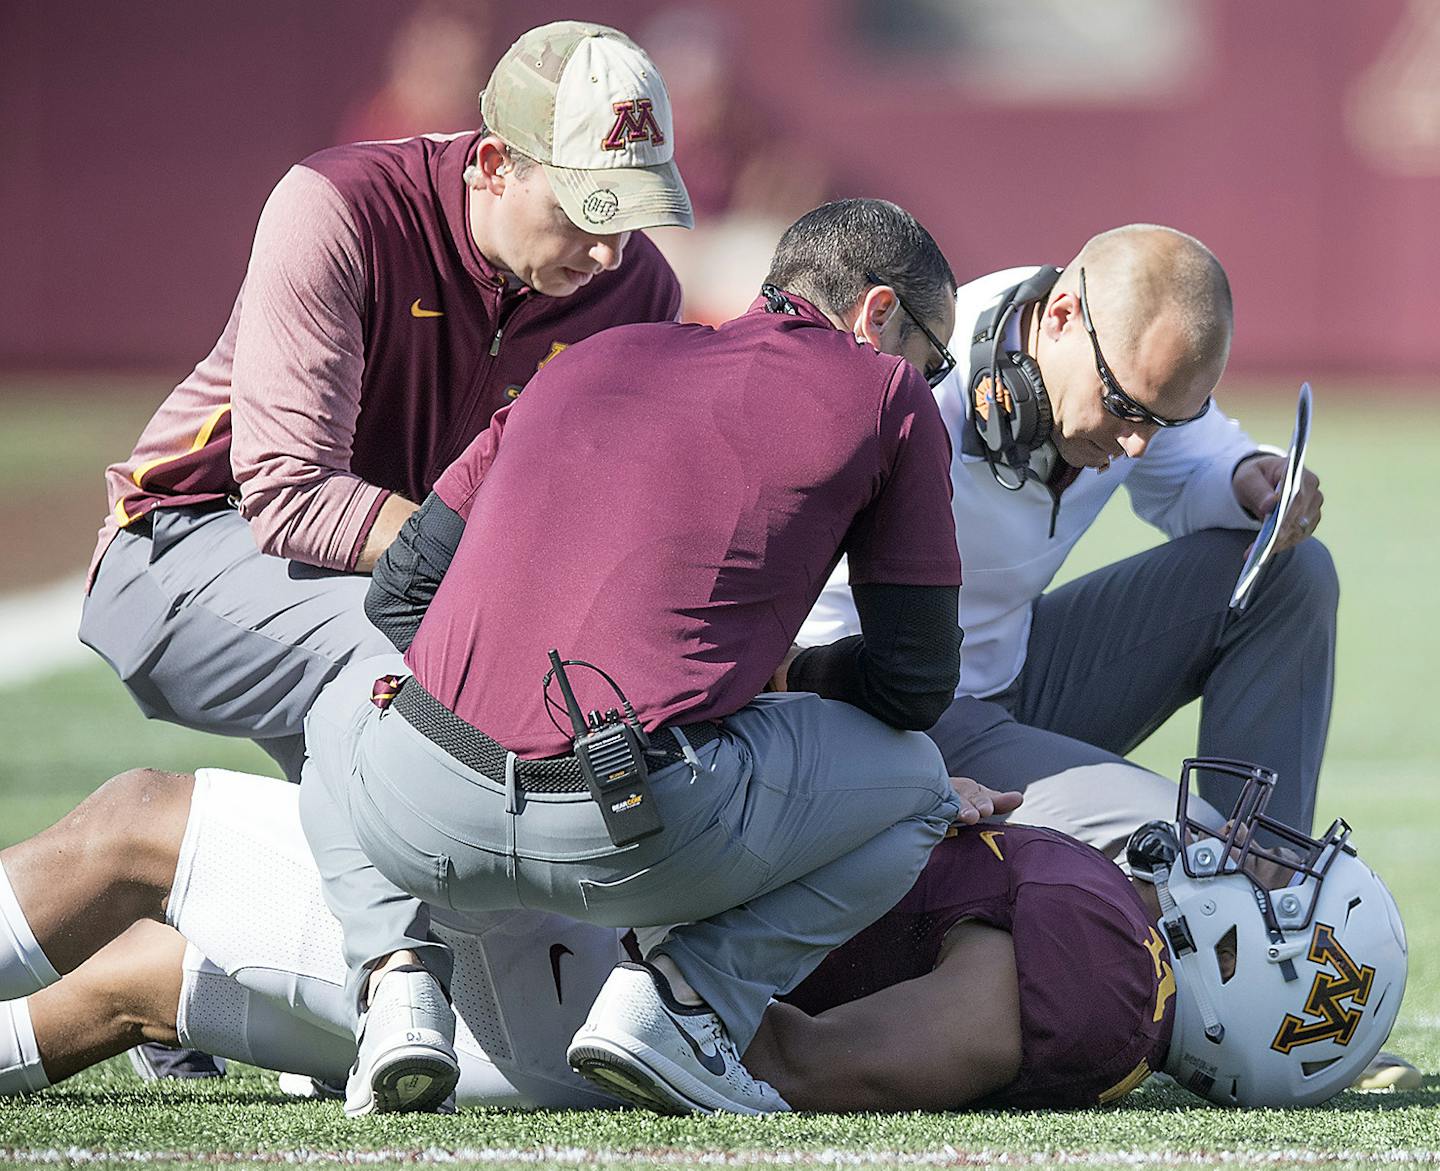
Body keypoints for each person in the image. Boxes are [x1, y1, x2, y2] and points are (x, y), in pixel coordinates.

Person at [297, 197, 988, 1118]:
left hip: (420, 813)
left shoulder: (594, 354)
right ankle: (681, 1007)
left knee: (342, 699)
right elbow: (915, 684)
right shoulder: (887, 392)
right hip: (630, 828)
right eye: (934, 357)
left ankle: (395, 984)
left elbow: (399, 596)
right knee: (918, 783)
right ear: (875, 314)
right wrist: (787, 675)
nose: (930, 380)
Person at [0, 758, 1406, 1111]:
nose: (1246, 855)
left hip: (592, 965)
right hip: (595, 963)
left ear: (1260, 973)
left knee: (138, 824)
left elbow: (825, 1059)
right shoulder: (1113, 938)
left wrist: (702, 903)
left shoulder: (1100, 960)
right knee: (144, 982)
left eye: (1279, 887)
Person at [80, 20, 691, 788]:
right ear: (496, 166)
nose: (611, 252)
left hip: (403, 582)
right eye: (585, 210)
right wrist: (513, 570)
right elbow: (289, 497)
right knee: (433, 680)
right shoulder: (340, 208)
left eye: (632, 212)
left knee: (504, 780)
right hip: (189, 535)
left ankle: (146, 882)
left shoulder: (639, 290)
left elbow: (607, 520)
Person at [801, 224, 1336, 851]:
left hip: (1015, 671)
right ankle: (1227, 895)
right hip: (886, 715)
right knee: (1183, 850)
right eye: (1125, 407)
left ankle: (1271, 870)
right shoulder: (914, 380)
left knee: (1289, 571)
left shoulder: (1118, 358)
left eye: (1169, 419)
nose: (1138, 443)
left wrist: (1253, 477)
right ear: (1060, 316)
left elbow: (1198, 466)